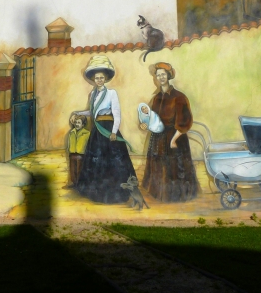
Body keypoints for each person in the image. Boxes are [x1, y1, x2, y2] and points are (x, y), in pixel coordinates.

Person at [71, 55, 136, 204]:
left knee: (112, 161)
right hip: (97, 131)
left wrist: (114, 132)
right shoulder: (92, 94)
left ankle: (117, 192)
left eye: (101, 78)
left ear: (105, 78)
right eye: (96, 78)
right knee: (96, 162)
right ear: (93, 79)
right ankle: (96, 192)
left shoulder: (112, 93)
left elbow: (117, 113)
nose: (99, 80)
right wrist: (78, 113)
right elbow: (92, 113)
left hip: (108, 129)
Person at [140, 62, 199, 202]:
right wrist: (145, 124)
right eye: (158, 75)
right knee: (159, 166)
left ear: (168, 75)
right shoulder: (156, 98)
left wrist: (173, 140)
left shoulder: (179, 97)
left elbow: (185, 122)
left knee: (173, 167)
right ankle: (158, 194)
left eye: (163, 74)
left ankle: (176, 196)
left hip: (175, 137)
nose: (160, 77)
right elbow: (153, 118)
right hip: (158, 137)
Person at [64, 115, 90, 189]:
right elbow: (69, 143)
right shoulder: (72, 132)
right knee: (73, 170)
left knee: (80, 170)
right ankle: (74, 183)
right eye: (75, 122)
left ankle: (80, 184)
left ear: (83, 124)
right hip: (72, 154)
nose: (76, 124)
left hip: (81, 154)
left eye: (79, 122)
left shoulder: (87, 133)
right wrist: (69, 151)